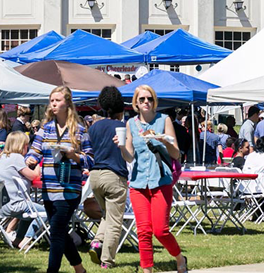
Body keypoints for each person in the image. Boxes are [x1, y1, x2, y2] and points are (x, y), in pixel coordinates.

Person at [114, 85, 187, 273]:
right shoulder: (131, 124)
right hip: (138, 183)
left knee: (161, 230)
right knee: (143, 231)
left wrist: (164, 141)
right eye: (142, 99)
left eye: (149, 99)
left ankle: (180, 258)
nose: (146, 102)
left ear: (155, 101)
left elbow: (176, 154)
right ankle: (147, 270)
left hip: (161, 181)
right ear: (136, 103)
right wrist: (121, 146)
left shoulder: (164, 120)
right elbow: (130, 157)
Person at [26, 86, 93, 273]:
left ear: (67, 103)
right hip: (49, 188)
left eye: (57, 100)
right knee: (60, 231)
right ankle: (80, 269)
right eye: (51, 100)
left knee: (56, 232)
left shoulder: (79, 130)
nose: (53, 104)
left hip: (69, 188)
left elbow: (91, 159)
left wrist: (75, 156)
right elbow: (34, 151)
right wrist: (30, 159)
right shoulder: (45, 129)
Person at [87, 86, 128, 269]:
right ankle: (107, 261)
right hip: (114, 175)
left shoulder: (94, 127)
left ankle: (97, 242)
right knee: (115, 221)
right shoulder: (122, 127)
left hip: (95, 176)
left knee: (107, 215)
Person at [0, 131, 43, 250]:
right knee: (48, 212)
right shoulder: (16, 157)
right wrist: (39, 163)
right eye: (26, 145)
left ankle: (18, 239)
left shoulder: (4, 157)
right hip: (14, 204)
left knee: (31, 212)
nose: (28, 147)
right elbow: (34, 176)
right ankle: (27, 239)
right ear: (21, 145)